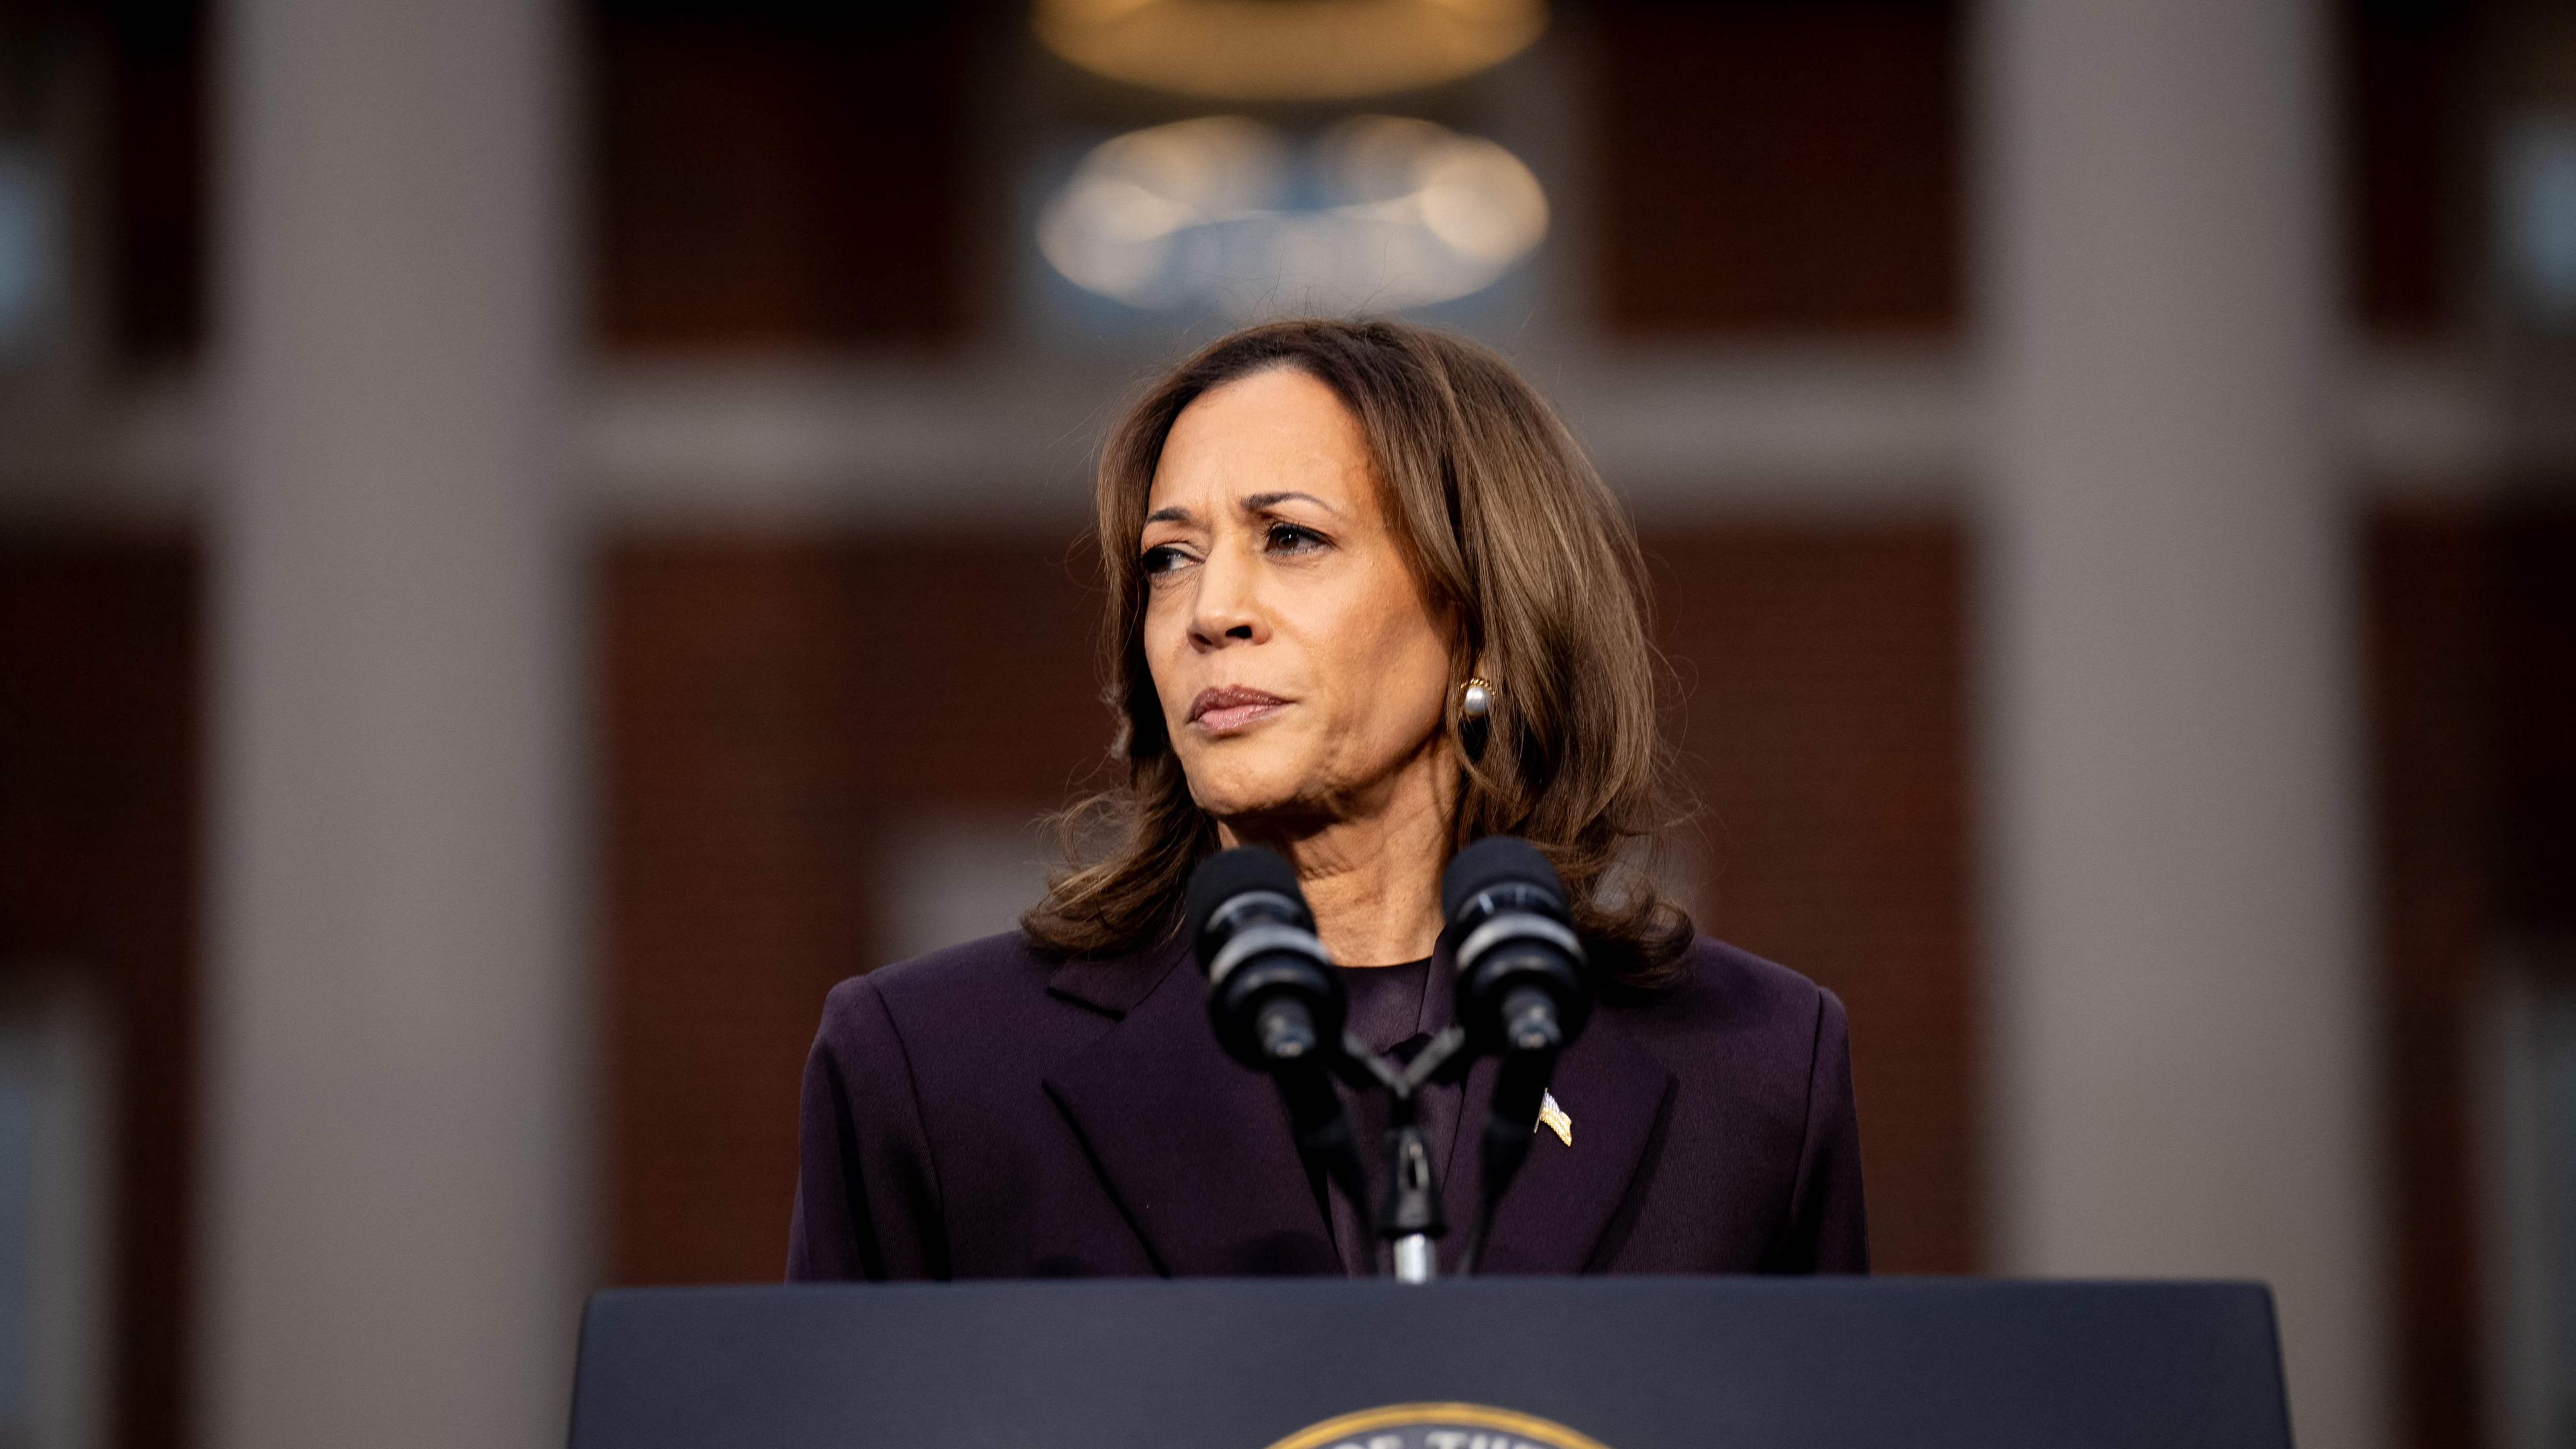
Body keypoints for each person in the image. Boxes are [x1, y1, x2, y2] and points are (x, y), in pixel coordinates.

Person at [787, 318, 1866, 1280]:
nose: (1211, 612)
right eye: (1169, 559)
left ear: (1480, 611)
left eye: (1290, 538)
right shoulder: (930, 1067)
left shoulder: (1758, 1066)